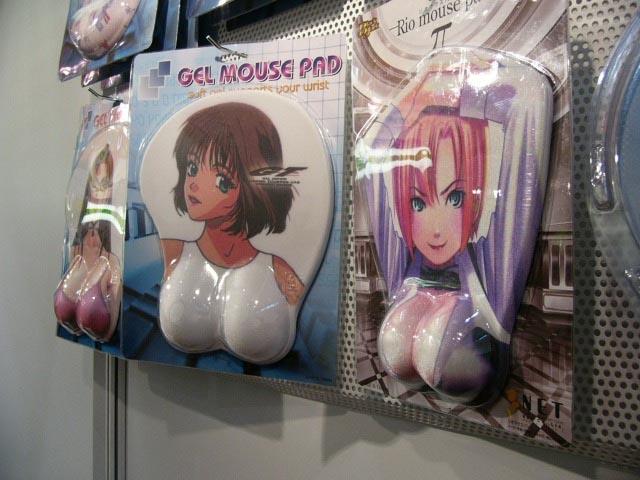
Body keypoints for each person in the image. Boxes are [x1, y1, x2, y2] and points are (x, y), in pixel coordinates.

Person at [158, 103, 304, 364]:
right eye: (192, 168)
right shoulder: (172, 250)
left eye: (221, 179)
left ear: (252, 187)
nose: (193, 184)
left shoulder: (279, 270)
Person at [54, 144, 122, 342]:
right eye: (95, 183)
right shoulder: (81, 231)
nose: (99, 190)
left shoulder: (113, 230)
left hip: (106, 272)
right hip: (86, 265)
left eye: (105, 183)